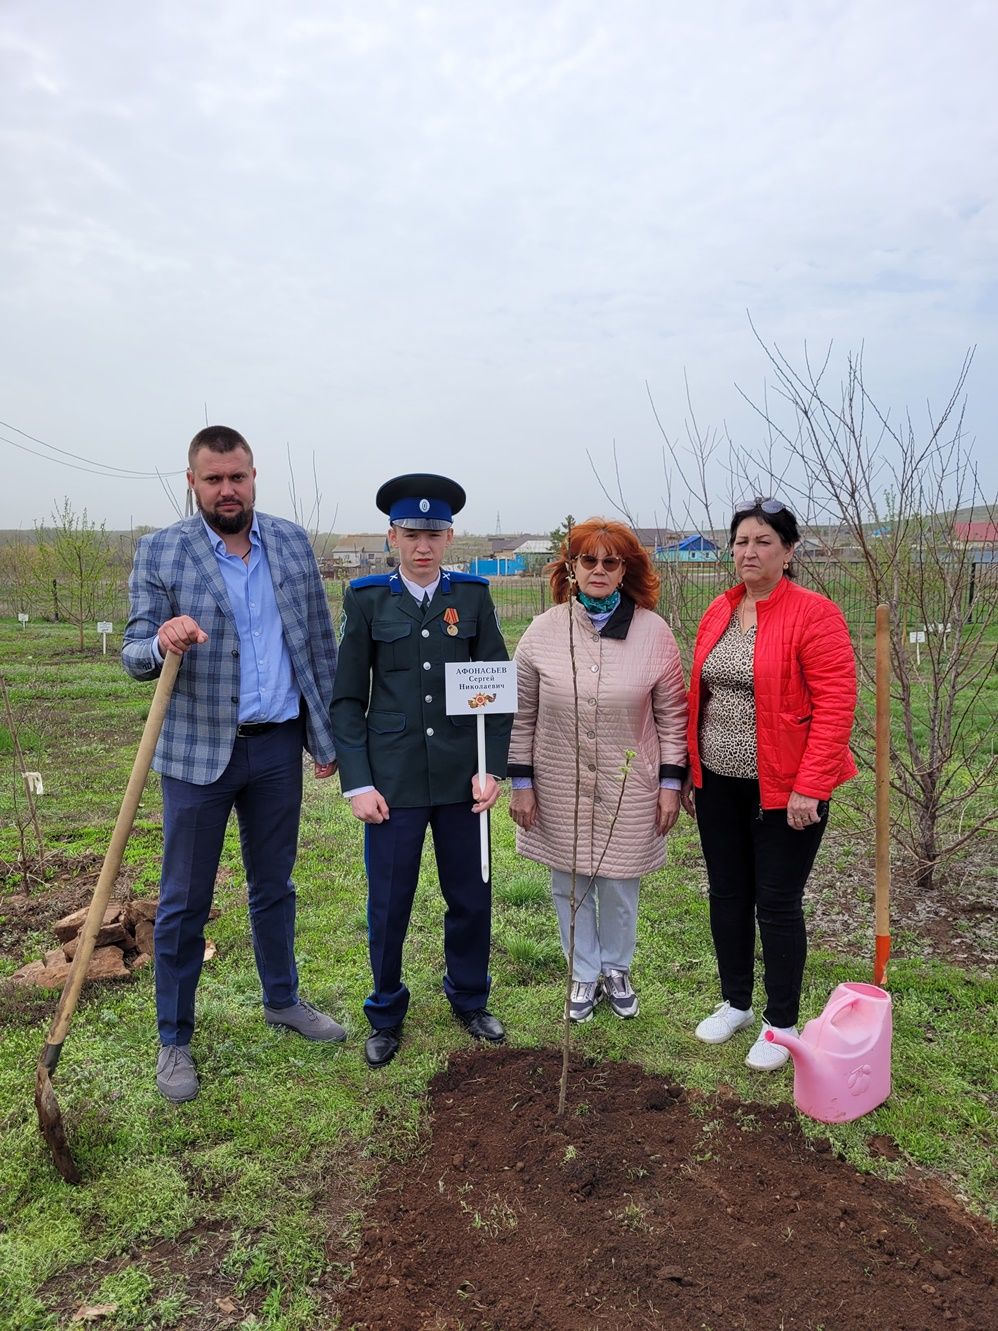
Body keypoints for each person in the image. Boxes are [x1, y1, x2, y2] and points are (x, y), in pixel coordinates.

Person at [122, 426, 344, 1103]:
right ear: (193, 482)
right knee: (184, 900)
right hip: (197, 754)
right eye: (213, 479)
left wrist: (328, 740)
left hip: (276, 743)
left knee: (273, 883)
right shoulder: (162, 550)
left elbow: (319, 641)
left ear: (254, 477)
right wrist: (161, 640)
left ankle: (282, 998)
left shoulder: (291, 543)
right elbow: (133, 651)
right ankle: (174, 1037)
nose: (227, 490)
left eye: (237, 477)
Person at [330, 473, 513, 1068]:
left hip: (465, 778)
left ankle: (469, 996)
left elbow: (496, 690)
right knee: (389, 903)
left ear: (450, 536)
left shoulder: (474, 597)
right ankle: (385, 1010)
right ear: (392, 536)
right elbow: (347, 700)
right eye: (412, 533)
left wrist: (494, 771)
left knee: (470, 895)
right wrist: (358, 782)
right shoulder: (367, 599)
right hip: (395, 781)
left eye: (433, 533)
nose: (423, 545)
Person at [683, 497, 857, 1070]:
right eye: (740, 542)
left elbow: (836, 704)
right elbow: (702, 695)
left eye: (763, 541)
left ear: (788, 550)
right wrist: (691, 769)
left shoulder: (814, 613)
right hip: (718, 785)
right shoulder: (721, 610)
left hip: (785, 788)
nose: (749, 552)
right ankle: (735, 1001)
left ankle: (780, 1022)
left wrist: (811, 785)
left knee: (777, 904)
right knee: (727, 894)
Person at [507, 519, 688, 1022]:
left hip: (629, 783)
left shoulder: (654, 633)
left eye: (611, 562)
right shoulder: (543, 632)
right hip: (558, 779)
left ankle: (616, 968)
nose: (599, 571)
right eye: (589, 560)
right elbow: (521, 714)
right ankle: (583, 974)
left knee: (619, 883)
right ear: (572, 566)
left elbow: (673, 715)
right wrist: (521, 784)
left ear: (625, 569)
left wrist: (670, 784)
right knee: (568, 882)